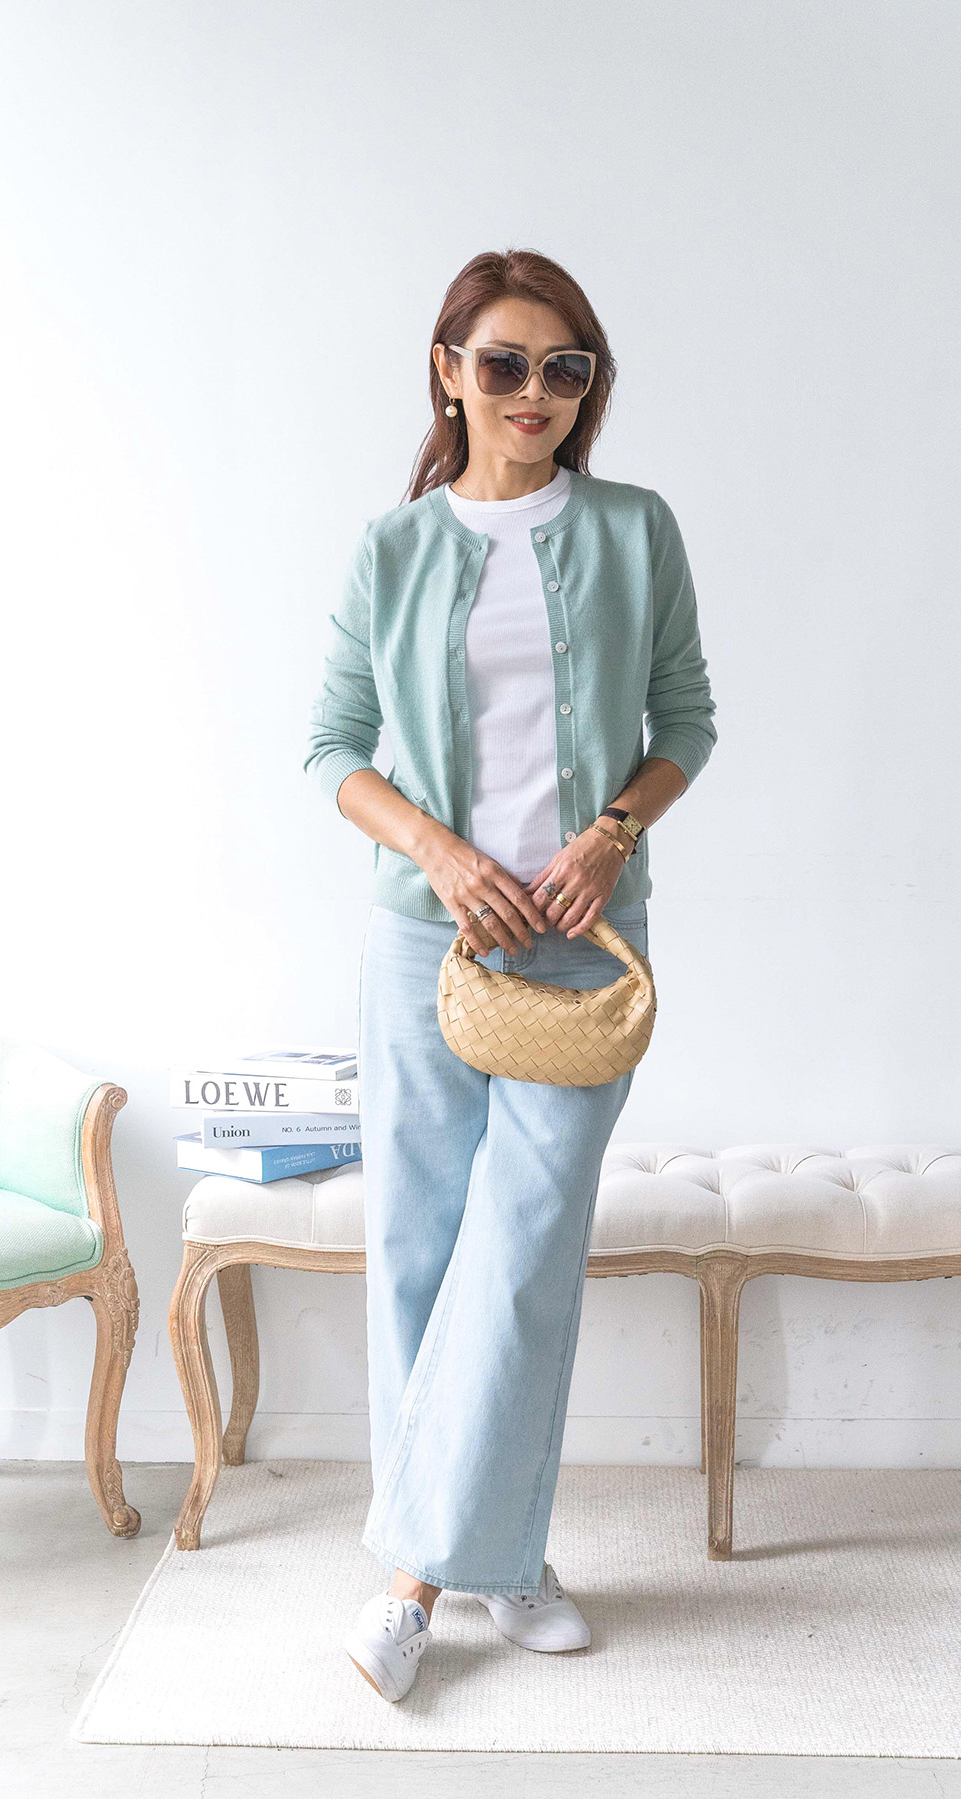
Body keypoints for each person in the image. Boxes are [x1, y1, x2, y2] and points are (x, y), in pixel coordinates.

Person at [304, 247, 717, 1703]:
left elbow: (686, 721)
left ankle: (412, 1586)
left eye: (564, 369)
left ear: (588, 388)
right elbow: (331, 747)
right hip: (428, 943)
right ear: (450, 374)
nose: (534, 393)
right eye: (504, 364)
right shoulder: (393, 550)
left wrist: (610, 836)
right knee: (420, 1249)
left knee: (523, 1248)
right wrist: (438, 853)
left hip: (584, 948)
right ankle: (506, 1559)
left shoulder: (635, 529)